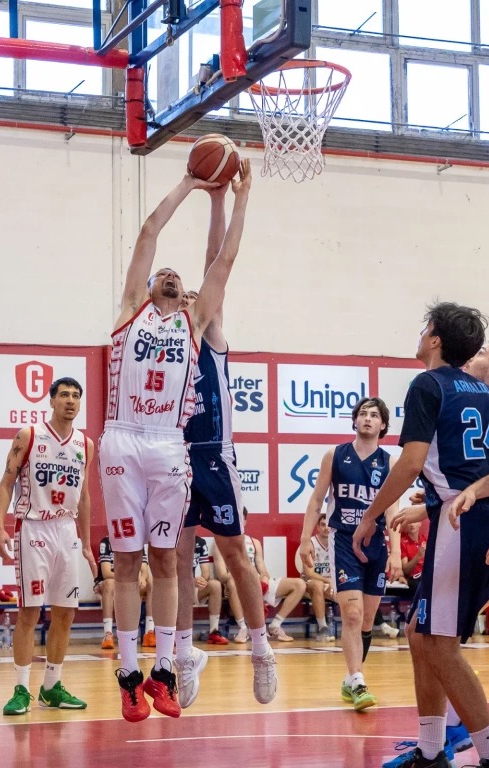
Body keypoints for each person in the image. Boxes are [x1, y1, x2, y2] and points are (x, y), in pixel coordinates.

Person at [98, 159, 272, 724]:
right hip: (124, 440)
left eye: (175, 275)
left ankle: (167, 668)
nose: (169, 274)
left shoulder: (195, 324)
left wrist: (237, 199)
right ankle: (128, 676)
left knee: (170, 563)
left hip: (172, 447)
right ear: (145, 288)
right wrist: (191, 185)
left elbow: (225, 261)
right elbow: (149, 231)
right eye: (161, 274)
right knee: (129, 564)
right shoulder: (130, 313)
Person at [353, 302, 489, 768]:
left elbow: (412, 463)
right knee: (421, 634)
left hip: (462, 523)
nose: (420, 335)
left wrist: (371, 516)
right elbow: (484, 468)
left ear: (435, 338)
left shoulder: (427, 384)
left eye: (425, 329)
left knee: (439, 642)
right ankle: (430, 748)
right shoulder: (483, 392)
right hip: (480, 512)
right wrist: (428, 507)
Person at [174, 180, 276, 710]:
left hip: (212, 451)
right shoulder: (160, 343)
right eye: (184, 296)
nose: (194, 297)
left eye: (199, 294)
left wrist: (223, 200)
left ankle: (260, 648)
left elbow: (219, 262)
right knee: (176, 558)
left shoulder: (207, 335)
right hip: (171, 456)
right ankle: (184, 651)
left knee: (235, 553)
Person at [0, 377, 96, 716]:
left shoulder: (86, 444)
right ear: (51, 400)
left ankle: (51, 687)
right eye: (64, 395)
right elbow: (7, 482)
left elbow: (83, 496)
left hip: (67, 530)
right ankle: (21, 688)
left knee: (65, 613)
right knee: (29, 611)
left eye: (76, 396)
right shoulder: (29, 436)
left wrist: (86, 544)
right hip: (33, 528)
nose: (70, 401)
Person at [300, 397, 402, 711]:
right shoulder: (335, 455)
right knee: (352, 615)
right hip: (343, 540)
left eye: (374, 415)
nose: (368, 419)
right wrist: (306, 538)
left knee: (368, 620)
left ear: (383, 424)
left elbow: (393, 510)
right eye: (363, 414)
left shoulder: (390, 462)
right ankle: (357, 680)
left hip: (375, 543)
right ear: (354, 421)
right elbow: (317, 500)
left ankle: (351, 678)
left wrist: (395, 552)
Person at [213, 508, 306, 642]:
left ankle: (275, 626)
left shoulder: (254, 543)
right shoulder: (220, 543)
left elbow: (262, 568)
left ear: (244, 521)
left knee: (299, 584)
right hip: (238, 583)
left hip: (256, 582)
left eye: (241, 519)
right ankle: (243, 628)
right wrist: (244, 578)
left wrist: (264, 578)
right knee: (232, 583)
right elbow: (222, 575)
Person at [93, 536, 155, 650]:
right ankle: (108, 634)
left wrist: (142, 578)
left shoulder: (138, 542)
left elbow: (144, 571)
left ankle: (149, 633)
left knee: (150, 581)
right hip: (109, 583)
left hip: (130, 582)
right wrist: (128, 578)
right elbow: (106, 573)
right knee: (109, 583)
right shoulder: (107, 541)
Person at [295, 513, 337, 641]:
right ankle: (323, 627)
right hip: (309, 583)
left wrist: (333, 583)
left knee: (354, 591)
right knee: (318, 585)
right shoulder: (310, 543)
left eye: (329, 525)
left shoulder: (337, 543)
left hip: (330, 583)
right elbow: (309, 573)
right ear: (317, 527)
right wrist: (328, 581)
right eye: (323, 525)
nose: (326, 528)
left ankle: (364, 628)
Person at [192, 534, 229, 645]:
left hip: (191, 587)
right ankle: (173, 633)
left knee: (215, 585)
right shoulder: (171, 540)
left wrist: (201, 581)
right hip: (174, 586)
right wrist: (190, 581)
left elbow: (206, 572)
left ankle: (214, 631)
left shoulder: (199, 542)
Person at [400, 520, 427, 597]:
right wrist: (418, 556)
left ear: (420, 524)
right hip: (415, 577)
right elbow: (406, 570)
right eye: (409, 522)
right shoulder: (403, 542)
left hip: (426, 574)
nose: (412, 524)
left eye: (415, 521)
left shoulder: (425, 539)